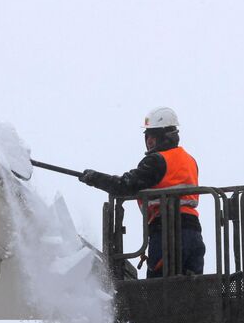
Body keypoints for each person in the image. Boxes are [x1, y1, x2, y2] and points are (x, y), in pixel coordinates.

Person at [78, 107, 206, 278]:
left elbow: (125, 185)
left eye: (153, 136)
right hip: (193, 235)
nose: (150, 141)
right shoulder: (190, 160)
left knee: (159, 291)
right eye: (147, 136)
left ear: (165, 136)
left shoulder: (157, 161)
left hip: (168, 234)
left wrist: (95, 178)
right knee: (192, 289)